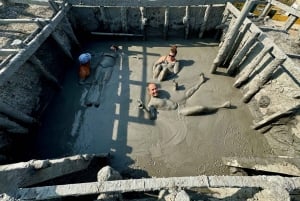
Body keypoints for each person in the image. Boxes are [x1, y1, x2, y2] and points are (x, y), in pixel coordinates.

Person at [139, 73, 231, 119]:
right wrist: (144, 108)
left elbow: (172, 91)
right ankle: (222, 106)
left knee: (190, 91)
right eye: (153, 90)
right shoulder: (151, 104)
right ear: (149, 91)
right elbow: (152, 117)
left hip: (179, 102)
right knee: (201, 108)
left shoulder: (161, 92)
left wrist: (175, 86)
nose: (155, 91)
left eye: (155, 88)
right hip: (179, 111)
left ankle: (201, 81)